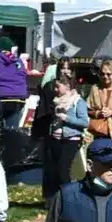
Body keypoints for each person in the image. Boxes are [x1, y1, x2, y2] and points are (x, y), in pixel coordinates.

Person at [43, 73, 89, 201]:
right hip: (56, 139)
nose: (55, 90)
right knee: (55, 172)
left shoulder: (77, 102)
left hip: (71, 140)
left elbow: (84, 121)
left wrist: (66, 118)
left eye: (58, 86)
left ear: (67, 86)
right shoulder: (57, 101)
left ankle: (69, 199)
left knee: (64, 171)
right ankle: (56, 199)